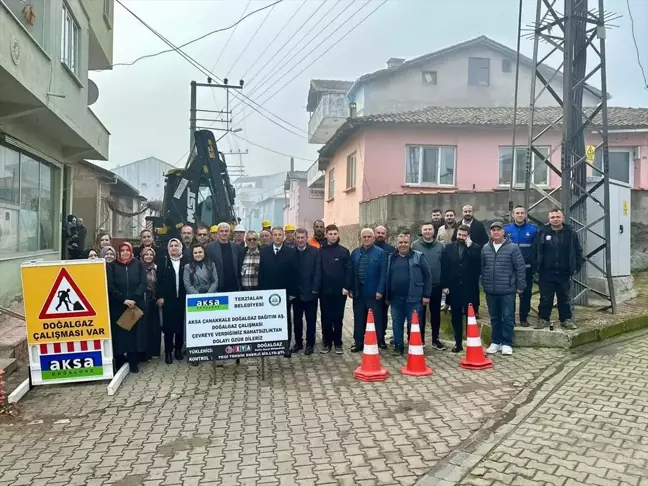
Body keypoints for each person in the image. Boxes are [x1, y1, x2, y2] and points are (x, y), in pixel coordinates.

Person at [533, 208, 583, 330]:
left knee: (564, 298)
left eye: (557, 217)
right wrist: (536, 268)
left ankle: (566, 320)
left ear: (563, 218)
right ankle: (543, 319)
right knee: (545, 298)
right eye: (552, 217)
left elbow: (578, 251)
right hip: (546, 272)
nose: (555, 219)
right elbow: (535, 250)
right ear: (549, 219)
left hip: (564, 272)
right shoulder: (542, 232)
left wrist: (576, 267)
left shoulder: (570, 233)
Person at [482, 222, 526, 356]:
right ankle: (496, 342)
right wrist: (483, 282)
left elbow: (520, 267)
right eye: (493, 230)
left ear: (503, 232)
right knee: (494, 317)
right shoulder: (485, 248)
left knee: (507, 317)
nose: (496, 232)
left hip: (507, 290)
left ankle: (507, 343)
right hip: (491, 290)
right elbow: (482, 267)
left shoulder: (512, 248)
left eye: (498, 230)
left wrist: (520, 286)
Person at [385, 233, 432, 355]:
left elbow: (428, 276)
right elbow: (387, 277)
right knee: (397, 323)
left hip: (414, 298)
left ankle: (414, 345)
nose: (403, 245)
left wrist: (426, 295)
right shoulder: (391, 257)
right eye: (400, 242)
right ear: (397, 243)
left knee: (415, 324)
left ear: (409, 243)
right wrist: (387, 295)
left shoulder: (418, 256)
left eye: (405, 242)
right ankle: (398, 346)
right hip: (396, 299)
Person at [107, 242, 147, 373]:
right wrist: (123, 299)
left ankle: (133, 362)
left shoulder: (138, 264)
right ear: (119, 252)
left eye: (127, 250)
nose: (125, 252)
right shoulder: (112, 266)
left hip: (134, 306)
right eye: (122, 250)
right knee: (120, 335)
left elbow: (143, 283)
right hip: (119, 305)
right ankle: (119, 360)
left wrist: (134, 298)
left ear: (131, 252)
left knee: (134, 334)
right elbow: (110, 285)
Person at [259, 227, 298, 358]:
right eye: (275, 235)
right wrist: (261, 292)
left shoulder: (291, 252)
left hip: (285, 292)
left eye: (280, 235)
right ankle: (270, 344)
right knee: (269, 319)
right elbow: (261, 273)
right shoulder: (264, 251)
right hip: (268, 291)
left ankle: (285, 345)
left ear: (283, 236)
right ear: (271, 237)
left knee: (285, 319)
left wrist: (293, 292)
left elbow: (295, 272)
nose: (277, 237)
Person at [441, 225, 482, 353]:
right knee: (456, 317)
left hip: (469, 288)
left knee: (470, 316)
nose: (461, 237)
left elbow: (477, 266)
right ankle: (458, 343)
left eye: (464, 235)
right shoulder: (449, 247)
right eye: (459, 235)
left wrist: (469, 248)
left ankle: (472, 342)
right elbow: (445, 267)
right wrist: (445, 285)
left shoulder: (475, 248)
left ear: (468, 236)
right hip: (454, 288)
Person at [350, 228, 387, 353]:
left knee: (376, 318)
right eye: (364, 237)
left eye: (369, 237)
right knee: (359, 318)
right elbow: (351, 272)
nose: (366, 239)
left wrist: (380, 290)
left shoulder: (380, 253)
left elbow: (383, 273)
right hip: (358, 292)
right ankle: (358, 342)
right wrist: (351, 289)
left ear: (373, 238)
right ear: (361, 238)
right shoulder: (355, 252)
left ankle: (377, 340)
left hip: (373, 292)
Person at [411, 222, 445, 349]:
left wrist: (444, 283)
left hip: (436, 285)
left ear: (433, 231)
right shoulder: (415, 245)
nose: (427, 231)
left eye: (430, 229)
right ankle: (420, 339)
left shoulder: (440, 246)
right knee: (420, 314)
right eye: (425, 229)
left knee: (436, 314)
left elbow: (444, 265)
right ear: (422, 231)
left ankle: (435, 340)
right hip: (420, 286)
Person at [504, 205, 538, 327]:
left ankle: (524, 318)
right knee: (509, 295)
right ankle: (510, 318)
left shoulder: (533, 230)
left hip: (526, 269)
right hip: (509, 269)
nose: (519, 215)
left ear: (525, 215)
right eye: (517, 213)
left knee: (526, 294)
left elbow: (536, 249)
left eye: (522, 213)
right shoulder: (506, 229)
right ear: (513, 215)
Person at [319, 224, 351, 354]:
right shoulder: (320, 251)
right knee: (325, 318)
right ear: (326, 235)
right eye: (330, 234)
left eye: (335, 234)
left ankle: (338, 343)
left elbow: (349, 271)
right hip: (324, 291)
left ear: (338, 235)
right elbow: (318, 271)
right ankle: (326, 342)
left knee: (338, 318)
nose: (333, 236)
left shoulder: (344, 251)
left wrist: (346, 287)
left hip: (340, 291)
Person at [156, 238, 189, 364]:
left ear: (180, 247)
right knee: (168, 326)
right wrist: (160, 296)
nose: (174, 248)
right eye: (172, 246)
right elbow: (159, 281)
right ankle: (168, 352)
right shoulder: (163, 261)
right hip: (167, 298)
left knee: (180, 325)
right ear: (168, 248)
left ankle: (178, 349)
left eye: (176, 245)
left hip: (181, 297)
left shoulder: (185, 260)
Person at [291, 229, 321, 355]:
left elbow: (318, 272)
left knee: (311, 320)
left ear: (307, 238)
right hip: (296, 293)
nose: (300, 240)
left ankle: (310, 344)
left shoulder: (315, 252)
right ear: (295, 238)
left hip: (310, 293)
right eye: (298, 237)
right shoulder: (291, 252)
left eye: (302, 237)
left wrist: (315, 289)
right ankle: (298, 343)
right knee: (297, 320)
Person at [206, 222, 245, 292]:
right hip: (218, 285)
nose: (224, 233)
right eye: (221, 231)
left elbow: (239, 266)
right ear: (218, 232)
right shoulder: (210, 247)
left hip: (234, 285)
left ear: (229, 232)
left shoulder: (236, 247)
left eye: (226, 231)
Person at [374, 225, 395, 345]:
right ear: (375, 234)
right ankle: (370, 336)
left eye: (383, 233)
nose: (380, 235)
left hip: (385, 288)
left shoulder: (391, 250)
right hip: (371, 286)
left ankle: (381, 338)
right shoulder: (369, 247)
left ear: (386, 235)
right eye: (378, 233)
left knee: (382, 314)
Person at [140, 247, 161, 361]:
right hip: (143, 299)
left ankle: (155, 351)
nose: (148, 256)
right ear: (142, 256)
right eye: (146, 254)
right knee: (145, 326)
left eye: (151, 254)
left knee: (155, 327)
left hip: (155, 299)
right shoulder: (139, 268)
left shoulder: (156, 268)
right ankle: (145, 353)